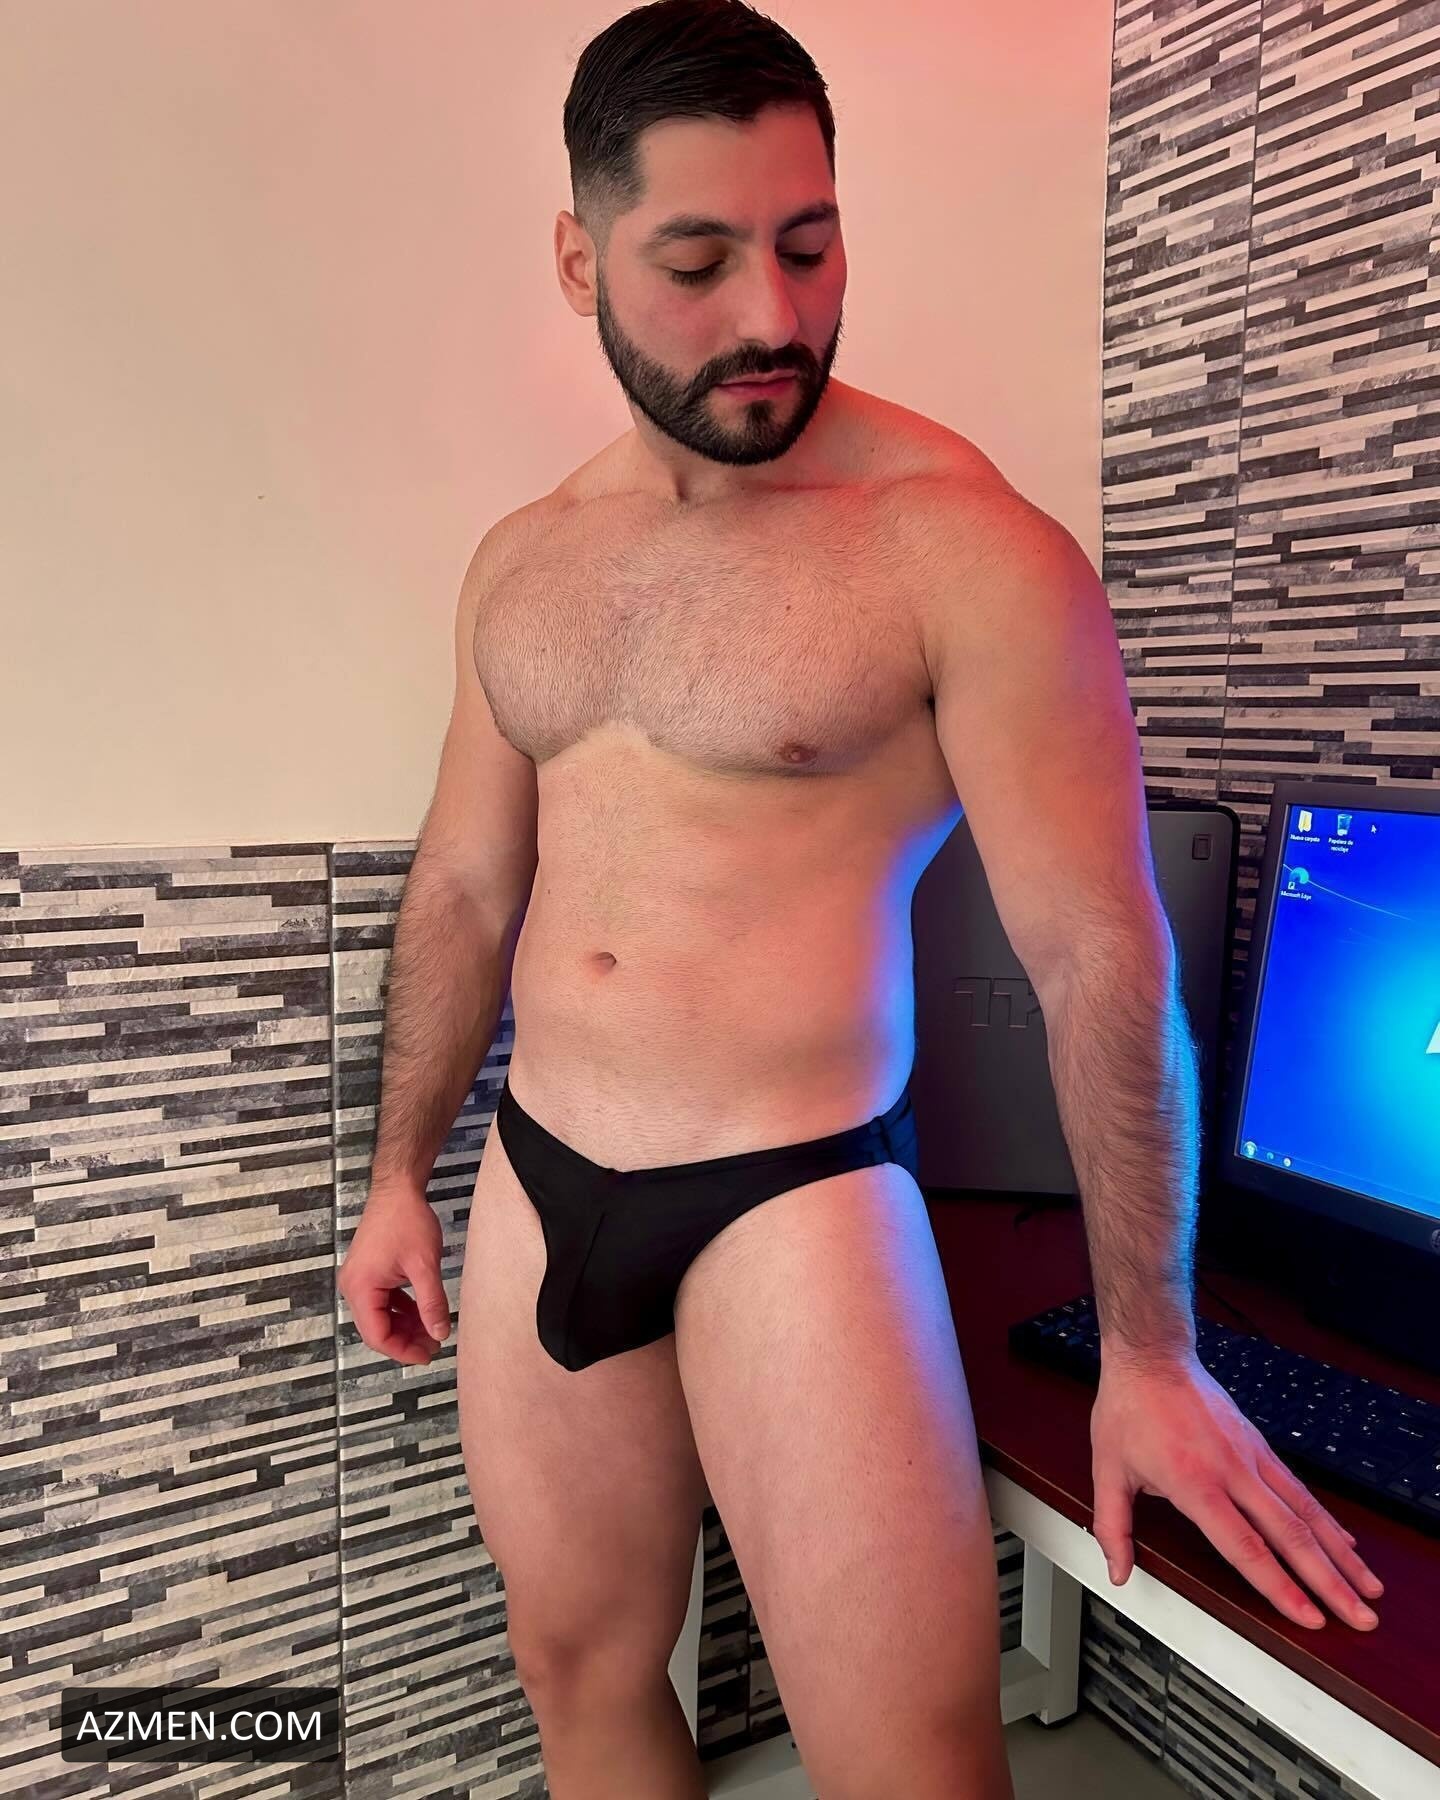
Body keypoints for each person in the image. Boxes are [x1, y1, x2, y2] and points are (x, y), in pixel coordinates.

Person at [336, 4, 1385, 1796]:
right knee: (582, 1677)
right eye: (699, 262)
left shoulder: (966, 550)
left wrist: (1152, 1350)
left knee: (911, 1769)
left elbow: (1100, 956)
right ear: (582, 263)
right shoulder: (522, 562)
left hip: (796, 1200)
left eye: (810, 246)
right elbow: (464, 881)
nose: (773, 314)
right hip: (540, 1172)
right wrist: (393, 1177)